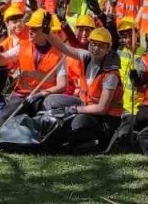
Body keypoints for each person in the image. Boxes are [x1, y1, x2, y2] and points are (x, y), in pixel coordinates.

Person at [39, 18, 125, 150]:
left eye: (101, 46)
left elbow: (101, 108)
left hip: (105, 120)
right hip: (85, 105)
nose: (96, 49)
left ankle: (79, 141)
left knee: (78, 122)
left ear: (108, 49)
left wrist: (73, 110)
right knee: (51, 101)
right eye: (93, 44)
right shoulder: (86, 56)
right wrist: (47, 32)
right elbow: (64, 47)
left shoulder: (111, 75)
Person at [0, 11, 68, 123]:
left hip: (44, 98)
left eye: (34, 29)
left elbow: (62, 85)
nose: (30, 31)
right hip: (22, 95)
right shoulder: (22, 46)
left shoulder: (60, 53)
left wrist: (42, 94)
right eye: (29, 27)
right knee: (4, 119)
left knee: (45, 122)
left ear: (45, 31)